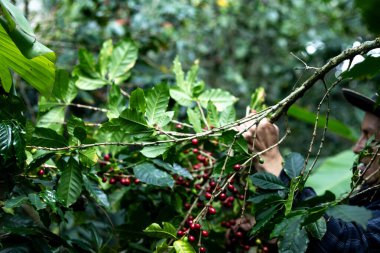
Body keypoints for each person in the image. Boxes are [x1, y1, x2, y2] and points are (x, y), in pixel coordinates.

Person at [241, 88, 380, 252]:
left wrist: (274, 163)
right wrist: (276, 239)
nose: (357, 148)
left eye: (369, 136)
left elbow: (348, 244)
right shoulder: (367, 200)